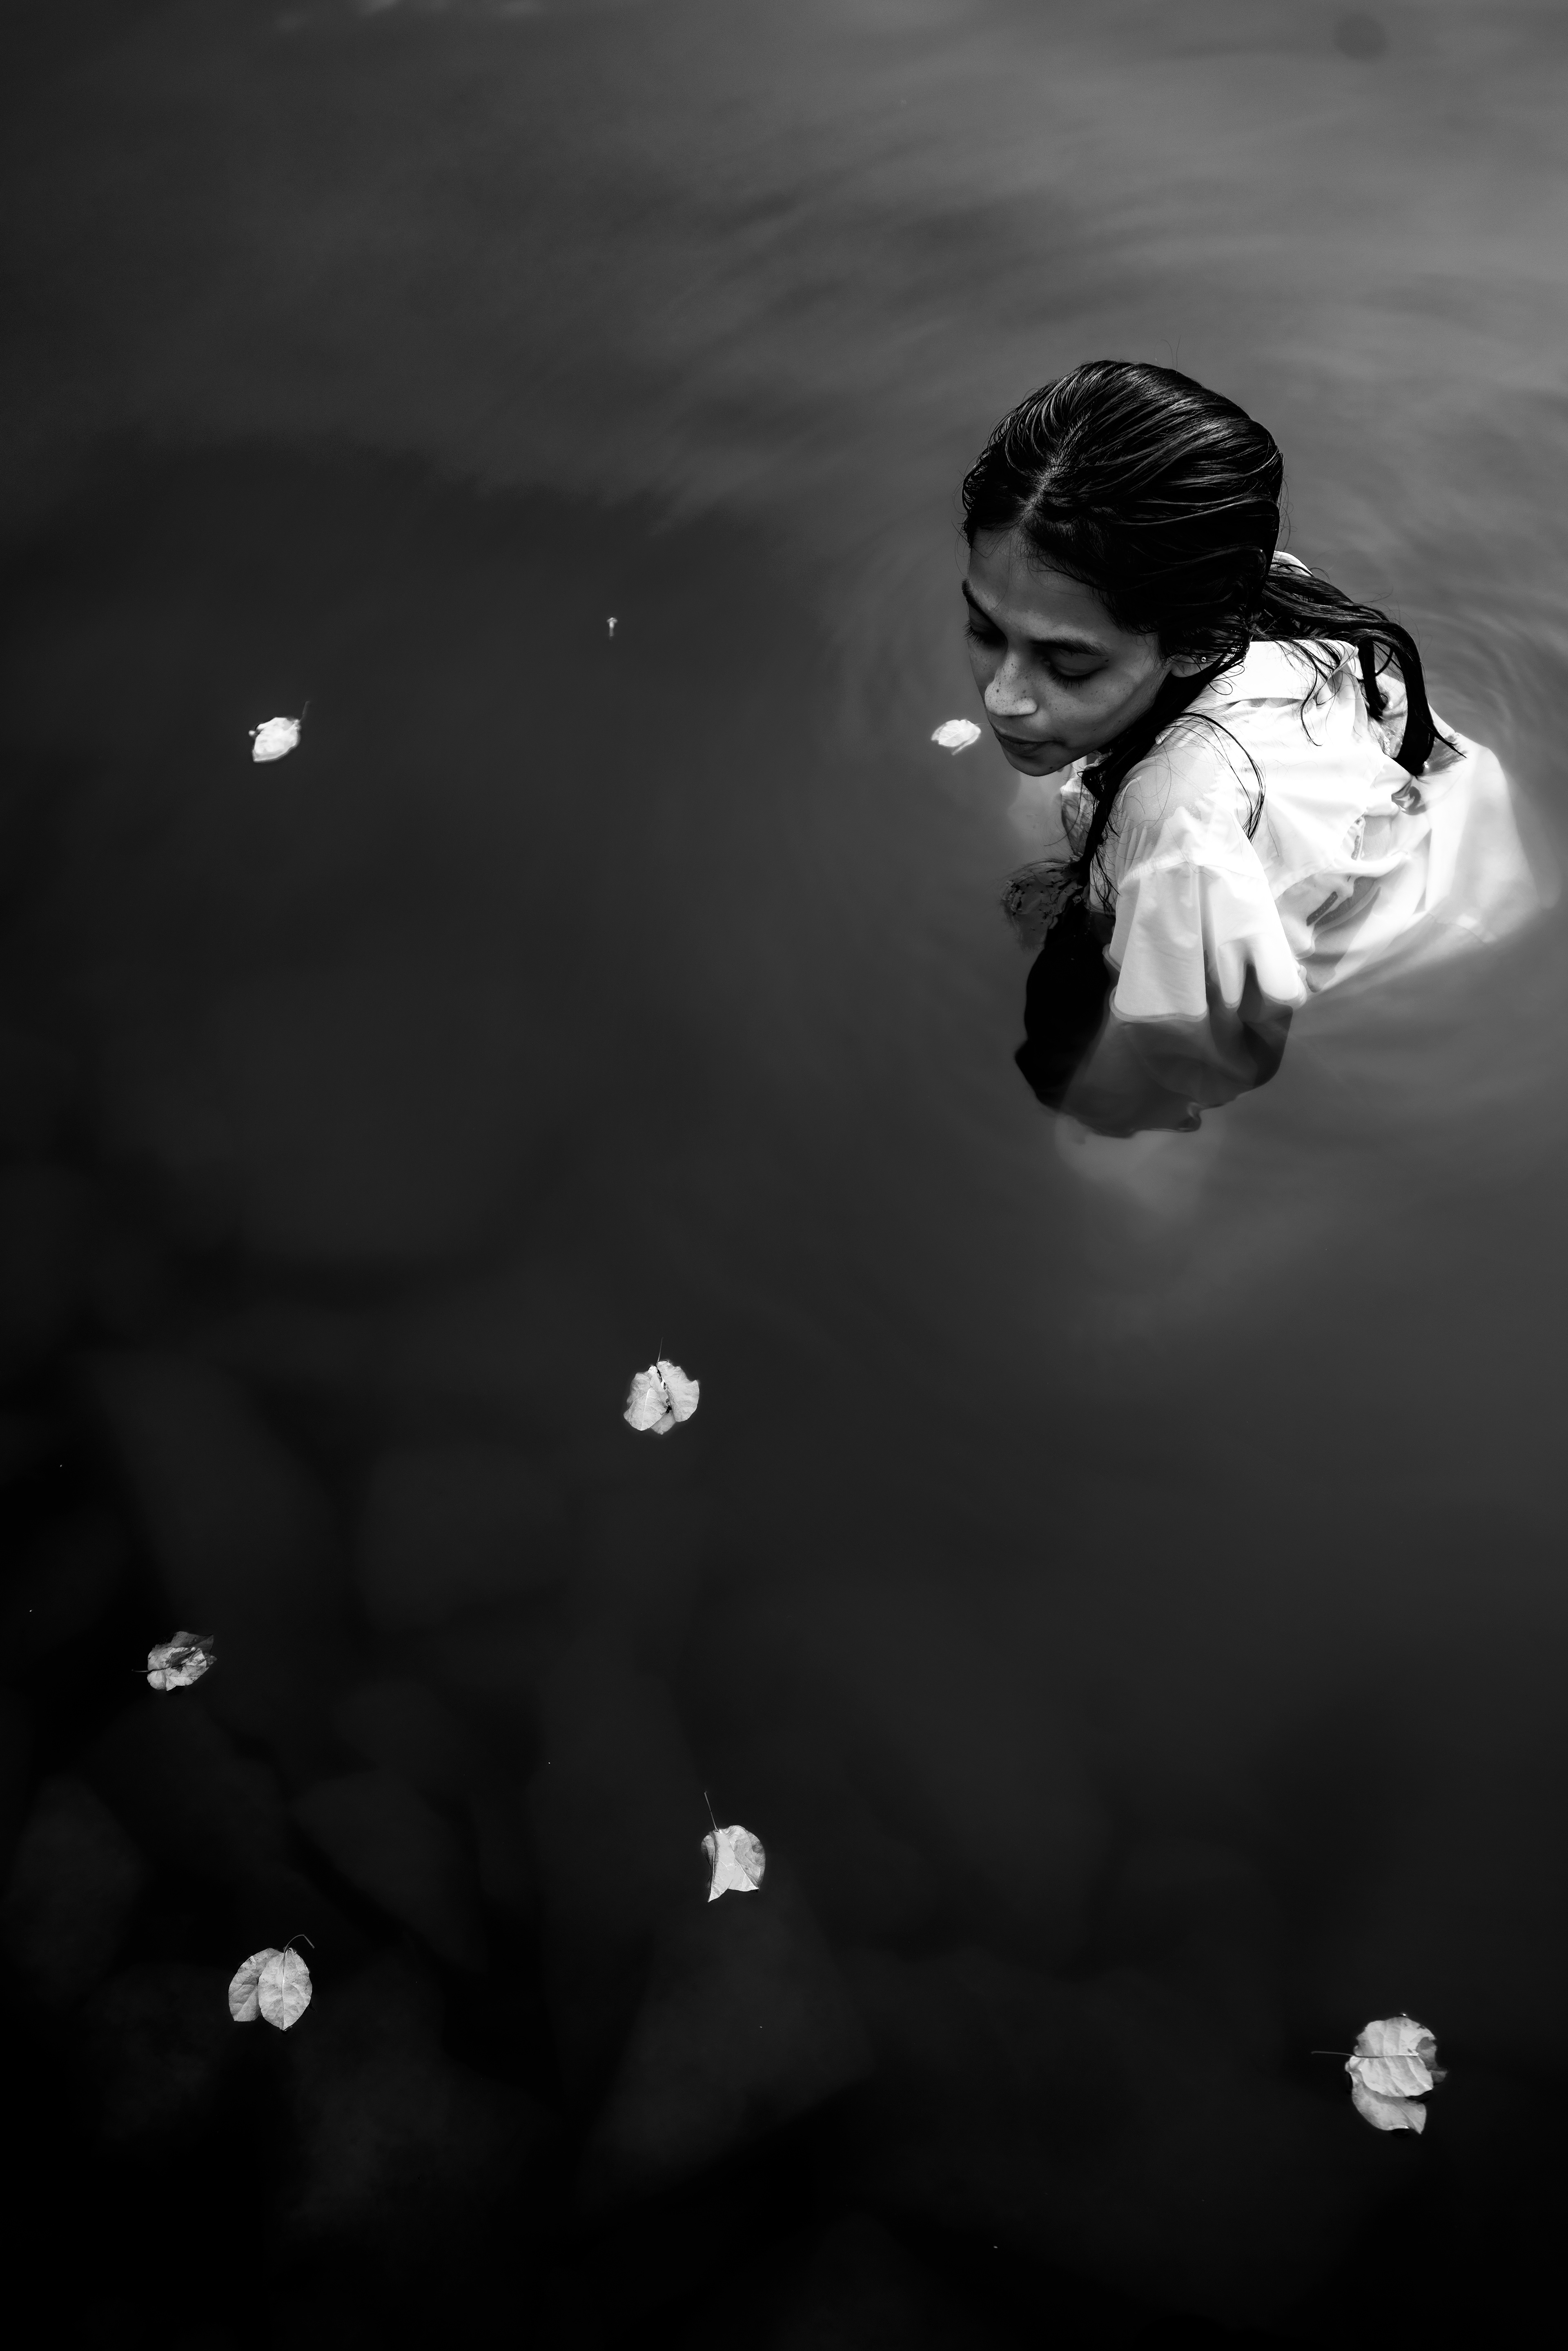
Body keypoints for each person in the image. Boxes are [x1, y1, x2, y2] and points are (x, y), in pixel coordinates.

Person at [959, 362, 1541, 1137]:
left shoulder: (1179, 823)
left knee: (1090, 1120)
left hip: (1431, 972)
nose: (1003, 697)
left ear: (1201, 641)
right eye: (985, 630)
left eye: (1067, 663)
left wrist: (1097, 1119)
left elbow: (1198, 1052)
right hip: (1466, 839)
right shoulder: (1252, 586)